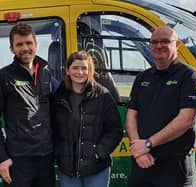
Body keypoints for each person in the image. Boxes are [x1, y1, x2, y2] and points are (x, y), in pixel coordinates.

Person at [126, 26, 196, 187]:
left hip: (174, 166)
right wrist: (138, 149)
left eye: (165, 41)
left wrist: (148, 144)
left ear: (177, 45)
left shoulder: (190, 76)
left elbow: (185, 121)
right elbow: (131, 116)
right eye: (154, 42)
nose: (159, 46)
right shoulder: (142, 78)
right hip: (143, 162)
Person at [52, 50, 123, 187]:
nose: (80, 72)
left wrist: (98, 153)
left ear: (90, 70)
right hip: (68, 170)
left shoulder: (103, 95)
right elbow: (53, 129)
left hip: (96, 168)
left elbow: (115, 131)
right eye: (75, 68)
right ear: (67, 70)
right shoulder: (58, 97)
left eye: (84, 68)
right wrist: (59, 153)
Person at [0, 23, 55, 187]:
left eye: (29, 43)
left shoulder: (46, 74)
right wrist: (2, 158)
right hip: (18, 160)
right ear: (12, 49)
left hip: (46, 157)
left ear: (36, 45)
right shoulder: (4, 77)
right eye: (19, 44)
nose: (25, 48)